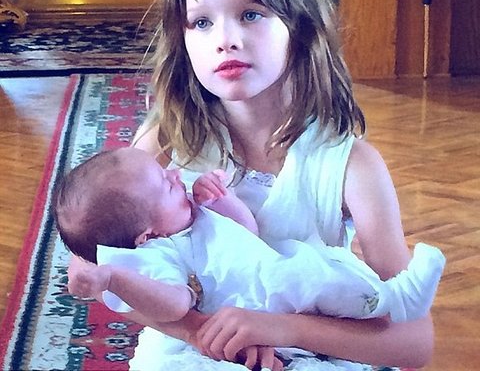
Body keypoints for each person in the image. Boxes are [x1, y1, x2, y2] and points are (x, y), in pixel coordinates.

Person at [66, 0, 442, 370]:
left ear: (299, 26)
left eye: (250, 14)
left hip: (311, 354)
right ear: (182, 41)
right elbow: (100, 269)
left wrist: (279, 329)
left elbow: (413, 343)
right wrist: (205, 333)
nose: (225, 39)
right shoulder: (164, 146)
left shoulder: (351, 166)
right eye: (201, 22)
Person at [54, 146, 444, 328]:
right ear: (147, 234)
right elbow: (174, 306)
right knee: (312, 280)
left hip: (270, 267)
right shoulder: (156, 255)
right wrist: (115, 278)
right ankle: (395, 301)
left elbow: (248, 233)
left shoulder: (187, 214)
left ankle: (386, 296)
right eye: (166, 185)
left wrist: (222, 201)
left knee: (324, 266)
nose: (176, 175)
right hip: (254, 297)